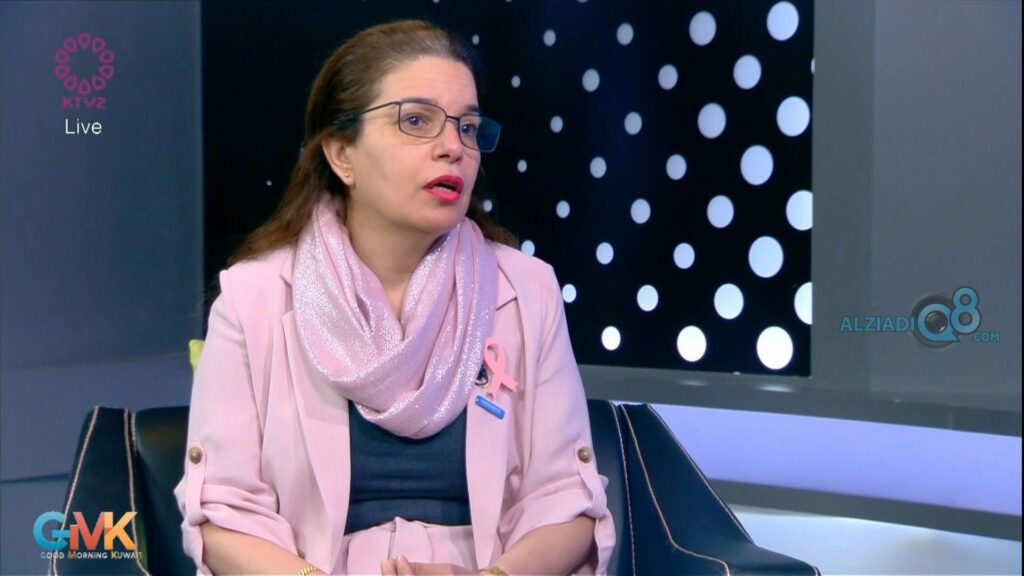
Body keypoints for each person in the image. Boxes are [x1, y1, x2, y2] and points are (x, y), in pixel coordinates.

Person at [174, 19, 615, 575]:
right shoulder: (252, 298)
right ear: (342, 154)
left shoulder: (528, 289)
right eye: (416, 121)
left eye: (468, 127)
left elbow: (566, 502)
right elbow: (224, 513)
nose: (453, 148)